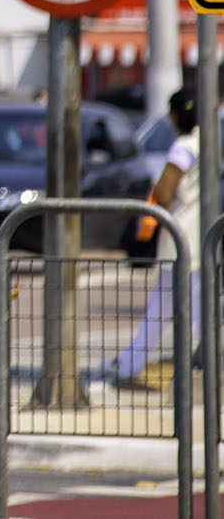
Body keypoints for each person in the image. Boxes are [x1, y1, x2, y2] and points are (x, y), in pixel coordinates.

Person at [109, 87, 202, 385]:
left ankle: (127, 366)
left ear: (175, 115)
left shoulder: (182, 148)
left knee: (178, 308)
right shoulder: (207, 142)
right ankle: (127, 363)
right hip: (198, 235)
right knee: (174, 307)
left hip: (179, 236)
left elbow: (163, 192)